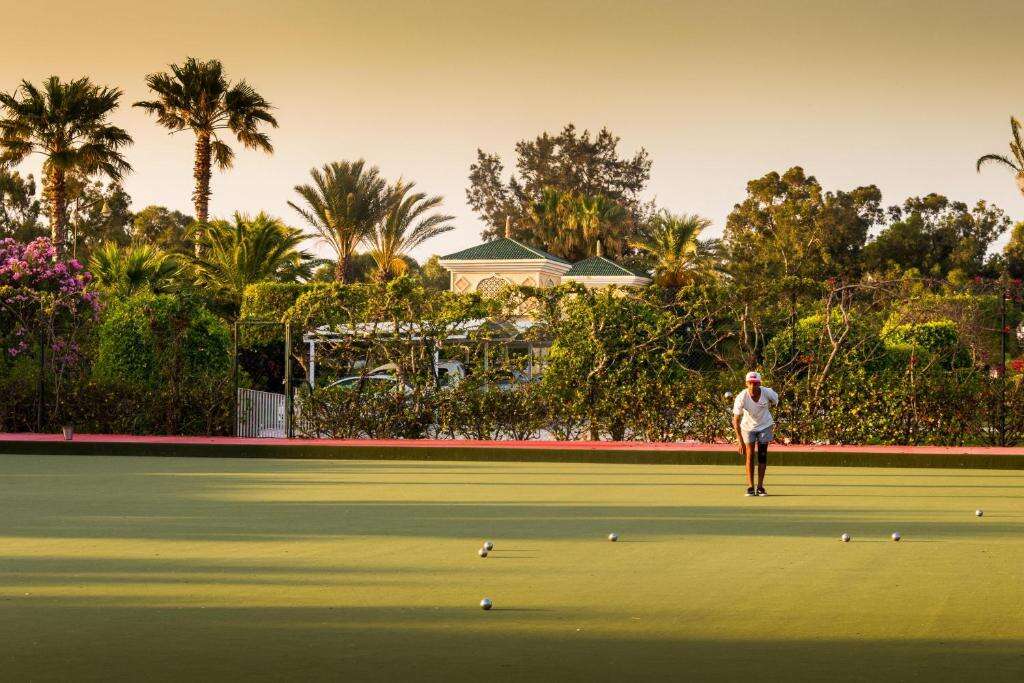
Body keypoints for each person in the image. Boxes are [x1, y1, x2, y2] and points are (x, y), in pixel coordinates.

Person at [732, 371, 779, 497]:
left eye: (756, 383)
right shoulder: (741, 397)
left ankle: (760, 487)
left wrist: (769, 406)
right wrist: (739, 441)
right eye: (750, 383)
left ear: (759, 383)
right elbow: (735, 420)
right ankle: (750, 487)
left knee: (762, 455)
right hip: (748, 427)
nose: (753, 385)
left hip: (765, 425)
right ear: (746, 383)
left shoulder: (768, 392)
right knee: (750, 455)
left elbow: (776, 401)